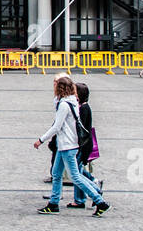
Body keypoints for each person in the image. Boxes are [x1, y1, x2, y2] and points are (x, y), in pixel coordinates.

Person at [34, 75, 109, 216]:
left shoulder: (64, 105)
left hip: (67, 145)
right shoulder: (72, 101)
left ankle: (100, 202)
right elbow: (56, 102)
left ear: (60, 89)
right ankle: (53, 203)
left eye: (56, 85)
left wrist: (41, 139)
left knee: (75, 176)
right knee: (56, 174)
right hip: (67, 145)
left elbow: (57, 126)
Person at [69, 83, 101, 208]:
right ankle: (83, 195)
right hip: (83, 145)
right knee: (78, 171)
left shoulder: (83, 109)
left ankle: (87, 194)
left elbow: (80, 129)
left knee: (76, 173)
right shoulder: (83, 107)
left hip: (82, 145)